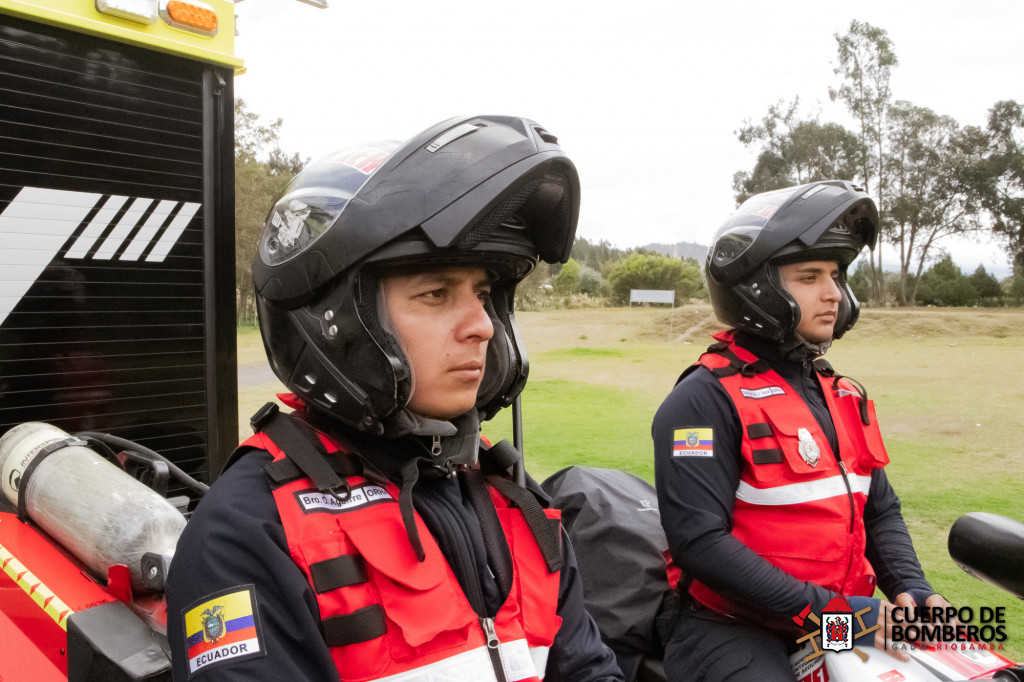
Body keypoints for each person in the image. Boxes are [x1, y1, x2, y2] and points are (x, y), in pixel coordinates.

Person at [166, 115, 624, 682]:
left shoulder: (516, 502)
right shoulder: (249, 532)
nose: (482, 325)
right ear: (336, 321)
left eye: (483, 293)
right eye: (436, 294)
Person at [652, 181, 950, 681]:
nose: (832, 293)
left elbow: (879, 509)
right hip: (733, 627)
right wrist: (838, 617)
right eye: (809, 277)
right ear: (756, 289)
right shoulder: (701, 401)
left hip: (832, 619)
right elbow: (699, 542)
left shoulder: (841, 394)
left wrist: (912, 589)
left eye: (835, 275)